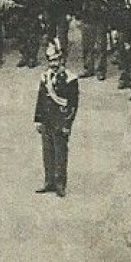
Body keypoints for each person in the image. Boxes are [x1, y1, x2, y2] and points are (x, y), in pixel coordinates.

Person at [34, 43, 79, 197]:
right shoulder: (45, 77)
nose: (53, 64)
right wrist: (38, 119)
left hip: (60, 120)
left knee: (60, 152)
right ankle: (49, 181)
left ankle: (60, 183)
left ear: (62, 60)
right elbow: (41, 99)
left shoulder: (70, 79)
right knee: (47, 151)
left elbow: (73, 105)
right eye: (51, 61)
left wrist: (68, 125)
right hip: (47, 119)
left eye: (56, 60)